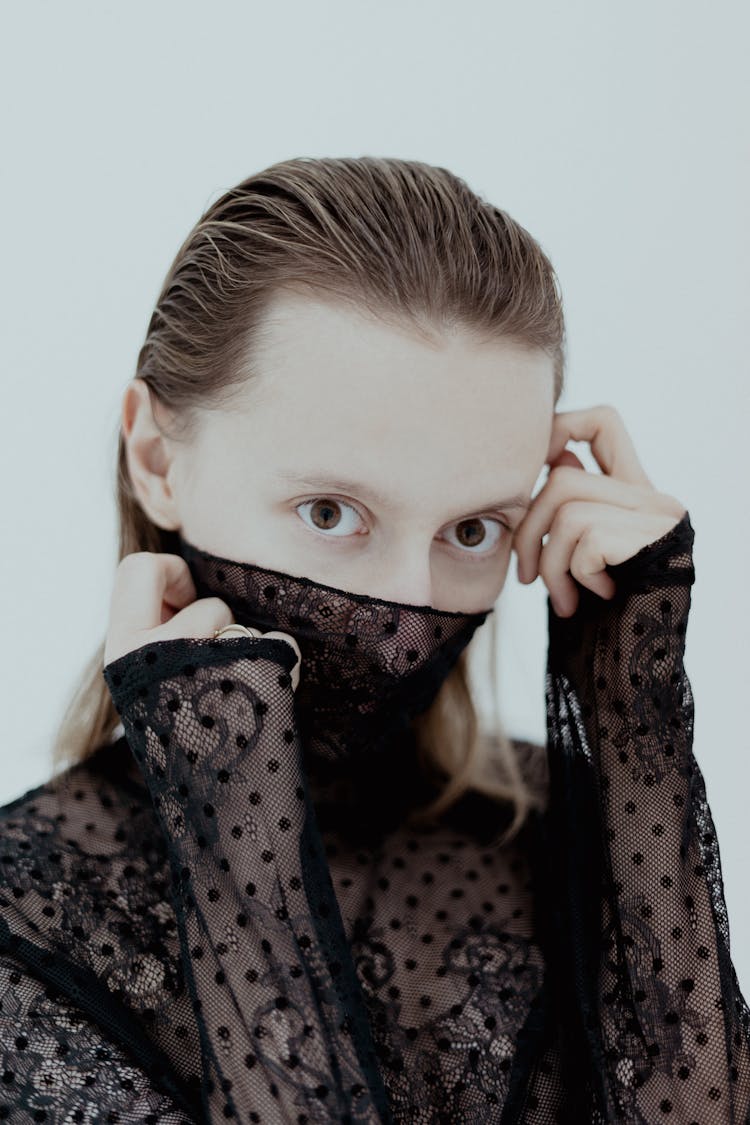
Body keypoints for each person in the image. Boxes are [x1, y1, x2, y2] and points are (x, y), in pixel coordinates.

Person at [0, 156, 747, 1123]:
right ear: (157, 460)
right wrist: (240, 860)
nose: (407, 601)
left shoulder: (577, 841)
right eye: (329, 511)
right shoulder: (28, 921)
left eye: (473, 528)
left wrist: (636, 741)